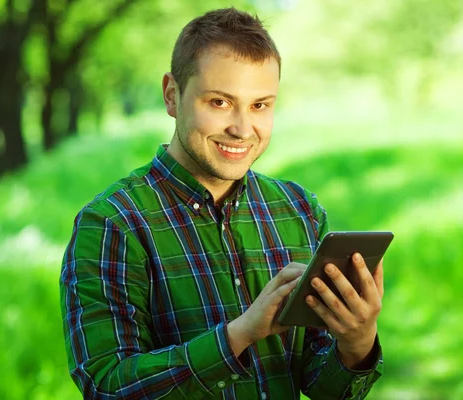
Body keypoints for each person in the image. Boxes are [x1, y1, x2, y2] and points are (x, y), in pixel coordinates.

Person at [60, 7, 383, 400]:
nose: (242, 129)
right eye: (219, 102)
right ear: (172, 95)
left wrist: (357, 345)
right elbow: (105, 385)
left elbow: (320, 383)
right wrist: (238, 336)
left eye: (260, 105)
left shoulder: (298, 208)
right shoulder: (113, 224)